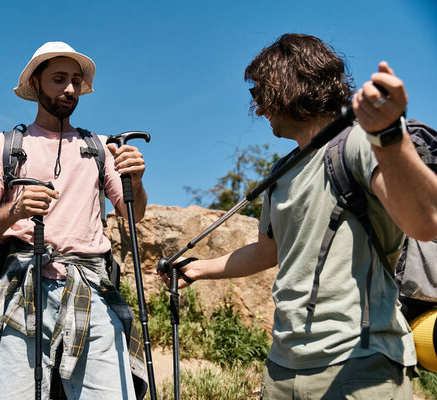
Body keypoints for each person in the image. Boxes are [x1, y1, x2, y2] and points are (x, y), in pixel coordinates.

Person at [165, 33, 437, 399]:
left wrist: (389, 137)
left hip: (359, 362)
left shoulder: (356, 143)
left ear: (286, 84)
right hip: (282, 366)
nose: (258, 108)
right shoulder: (282, 172)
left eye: (259, 93)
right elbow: (267, 253)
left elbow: (424, 222)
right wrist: (197, 269)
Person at [0, 41, 148, 400]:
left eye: (76, 80)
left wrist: (133, 180)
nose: (70, 89)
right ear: (36, 83)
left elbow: (133, 215)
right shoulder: (5, 146)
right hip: (20, 293)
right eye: (59, 79)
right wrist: (16, 210)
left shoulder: (100, 146)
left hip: (92, 290)